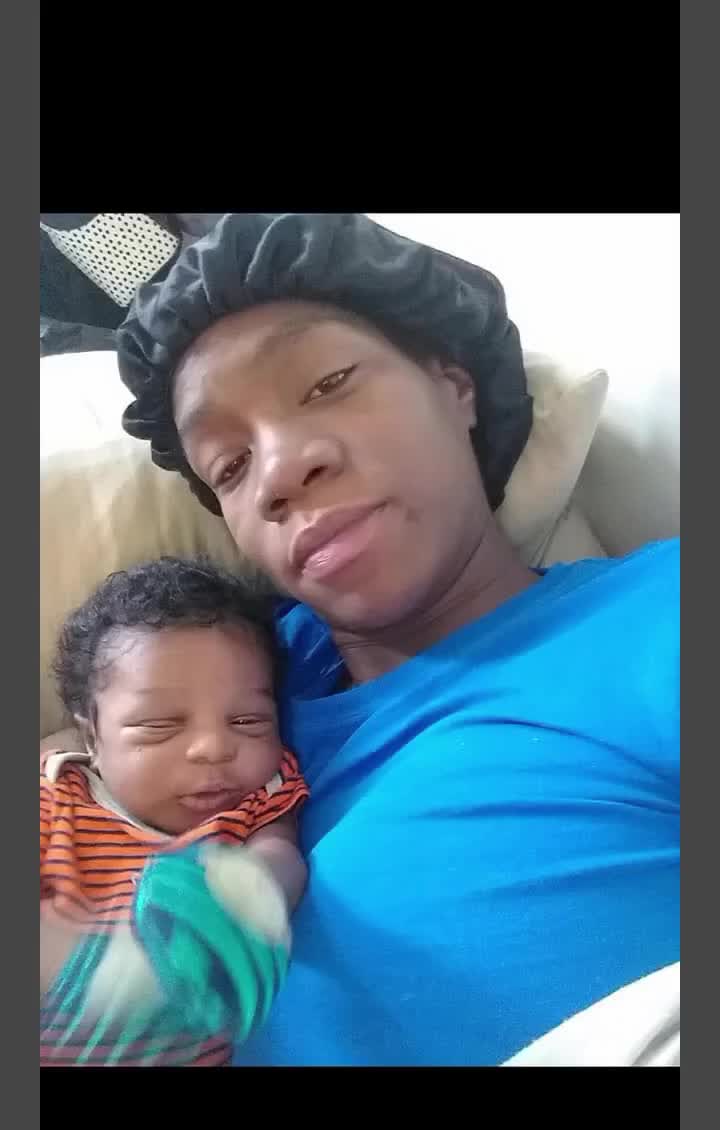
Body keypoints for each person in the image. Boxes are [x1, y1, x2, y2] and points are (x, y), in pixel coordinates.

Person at [62, 212, 677, 1066]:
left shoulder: (657, 618)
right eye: (230, 467)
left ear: (454, 384)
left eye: (328, 383)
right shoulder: (220, 665)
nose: (278, 472)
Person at [40, 557, 309, 1066]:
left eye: (248, 720)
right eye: (160, 725)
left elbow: (283, 854)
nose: (213, 748)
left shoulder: (259, 795)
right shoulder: (55, 800)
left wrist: (249, 892)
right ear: (92, 739)